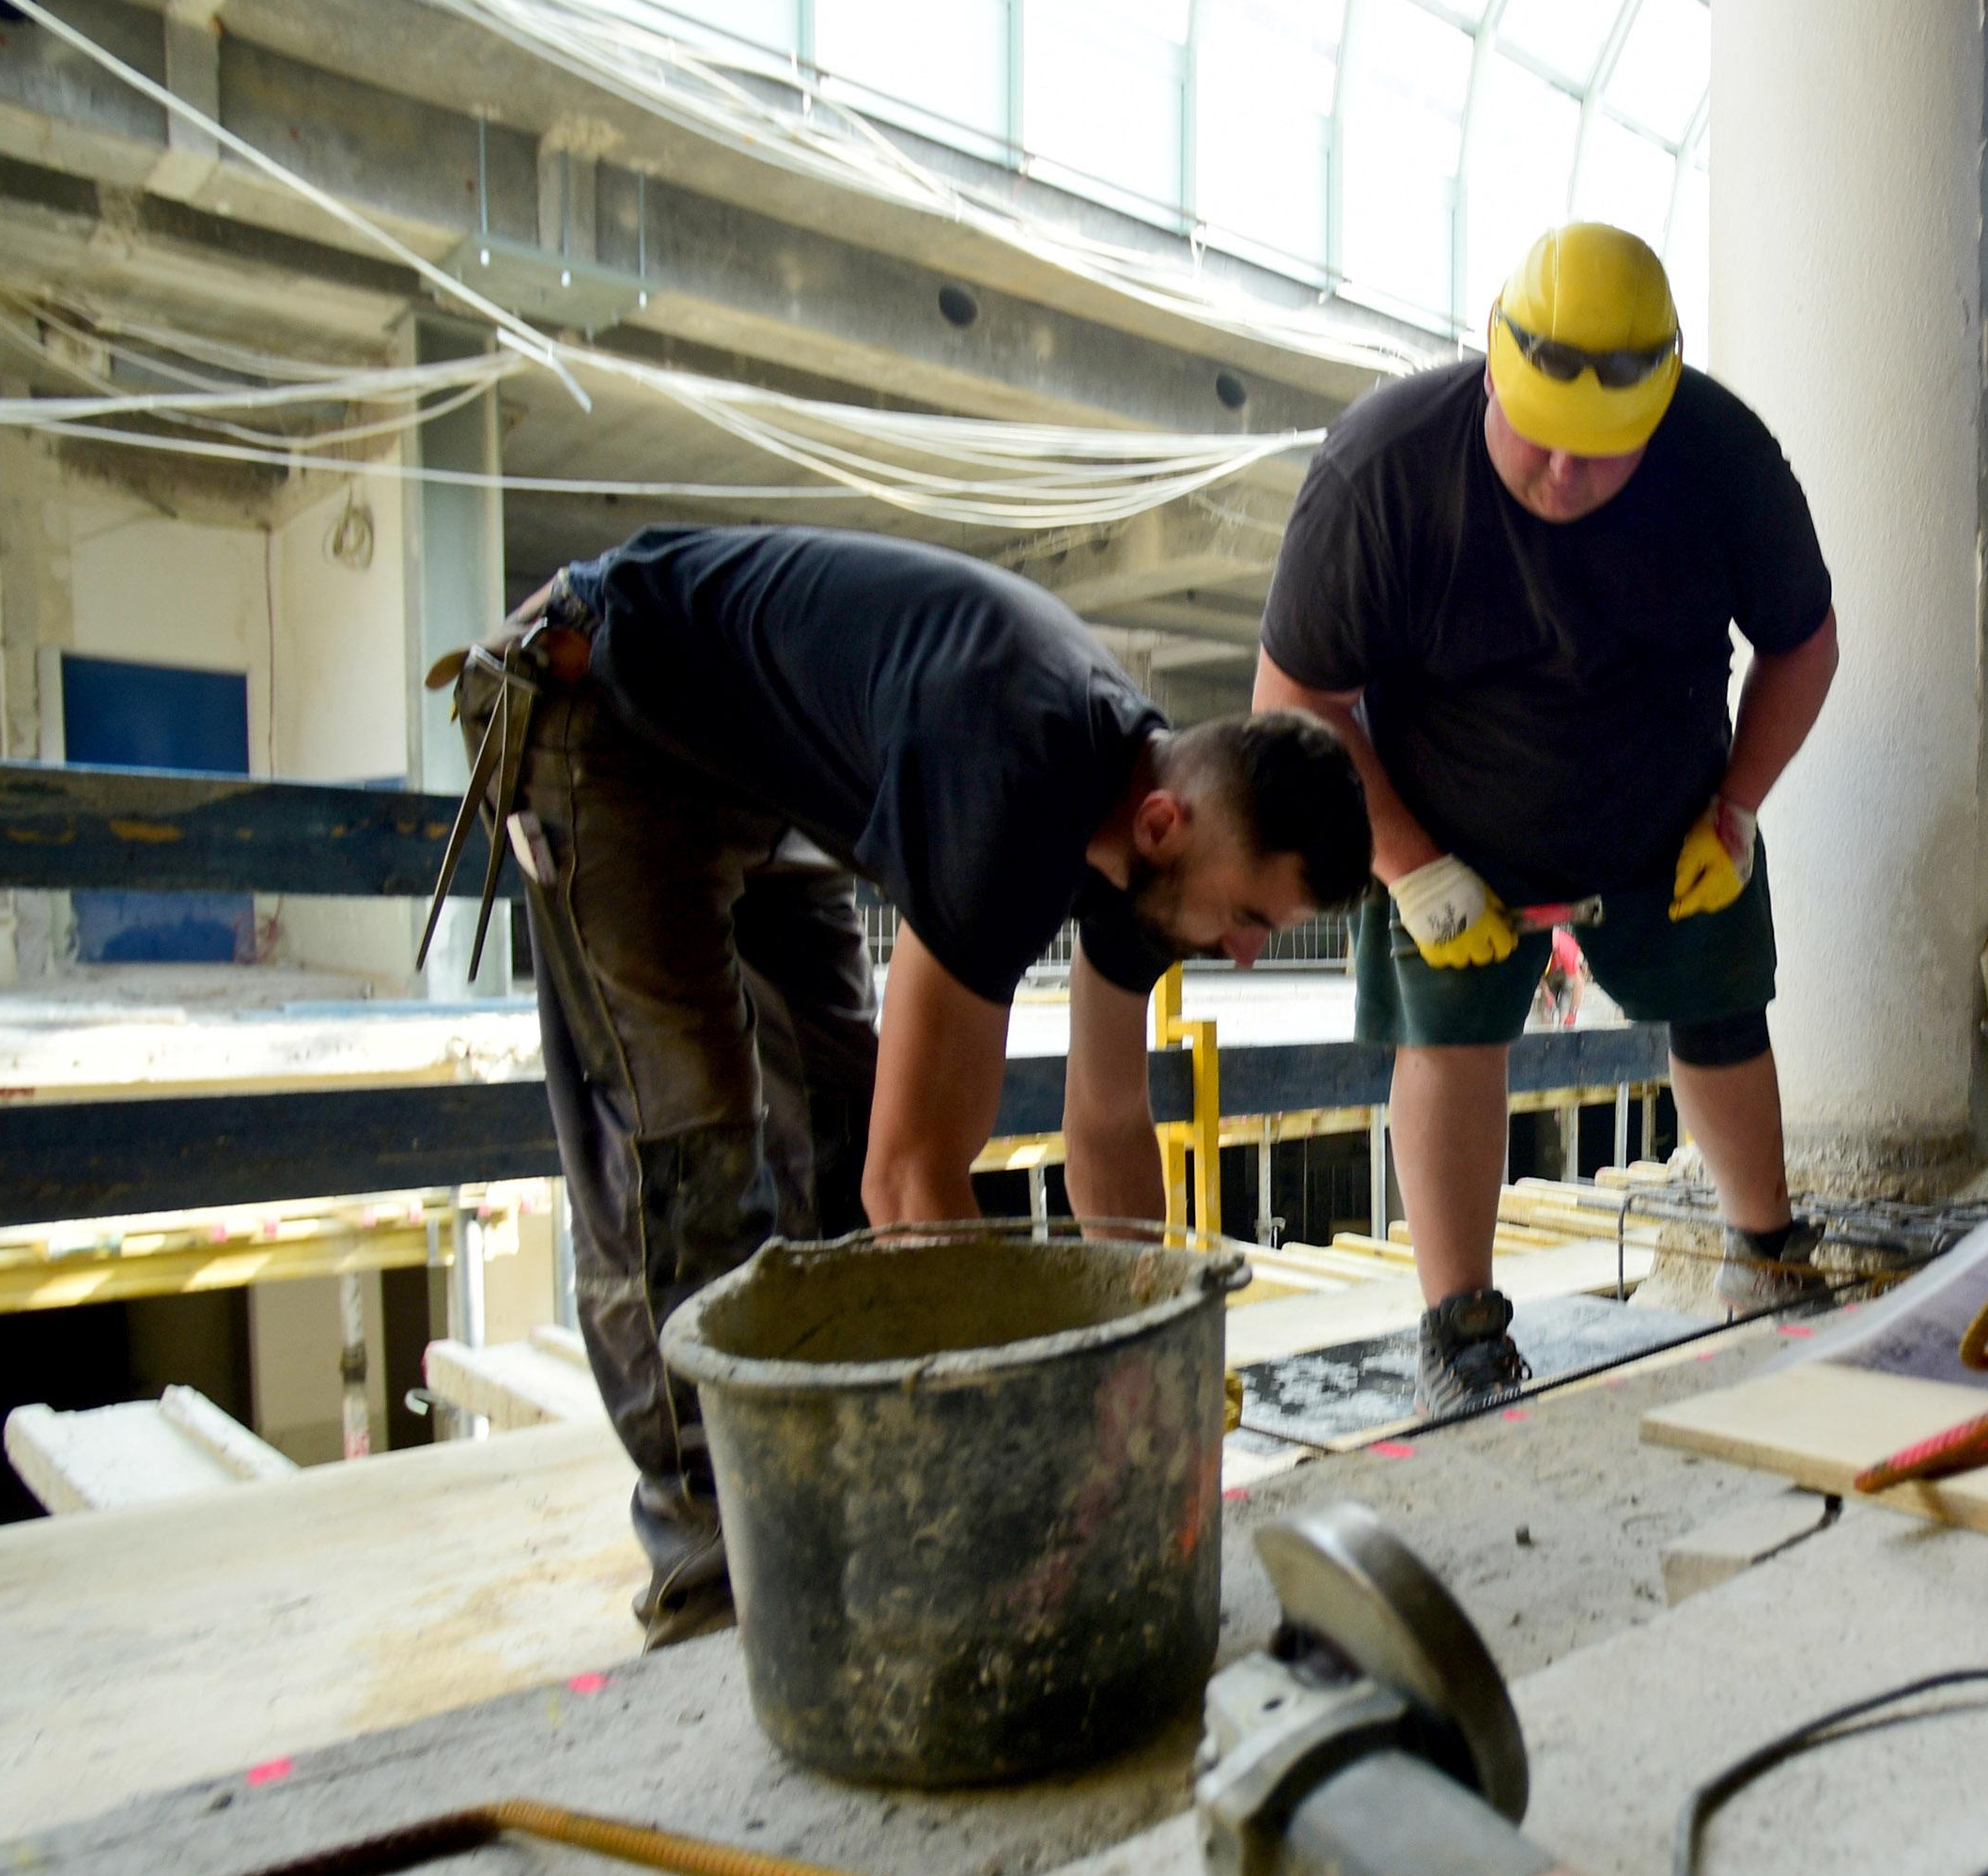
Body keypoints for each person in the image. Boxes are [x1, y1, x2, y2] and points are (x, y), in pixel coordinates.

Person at [444, 524, 1373, 1643]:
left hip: (763, 782)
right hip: (604, 711)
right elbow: (914, 1175)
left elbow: (1110, 1122)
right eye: (1251, 919)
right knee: (686, 1143)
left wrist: (1144, 1369)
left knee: (838, 1114)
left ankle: (846, 1485)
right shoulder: (1015, 769)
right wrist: (1013, 1466)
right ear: (1164, 824)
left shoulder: (1146, 855)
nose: (1242, 954)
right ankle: (711, 1561)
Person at [1253, 223, 1840, 1414]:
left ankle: (1768, 1253)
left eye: (1600, 455)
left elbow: (1803, 647)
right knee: (1452, 1039)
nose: (1563, 477)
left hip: (1666, 803)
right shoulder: (1383, 466)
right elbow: (1293, 700)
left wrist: (1733, 815)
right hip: (1443, 813)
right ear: (1491, 368)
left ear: (1660, 404)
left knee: (1722, 1014)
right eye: (1538, 440)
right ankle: (1459, 1329)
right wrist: (1408, 866)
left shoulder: (1722, 458)